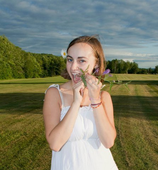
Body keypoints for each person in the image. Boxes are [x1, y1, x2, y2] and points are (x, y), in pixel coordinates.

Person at [43, 35, 118, 170]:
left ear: (96, 64)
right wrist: (76, 102)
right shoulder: (55, 94)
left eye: (81, 60)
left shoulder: (104, 97)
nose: (73, 67)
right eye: (70, 59)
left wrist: (95, 100)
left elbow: (108, 142)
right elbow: (55, 144)